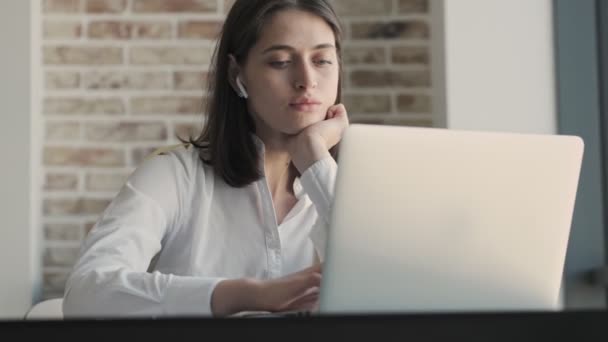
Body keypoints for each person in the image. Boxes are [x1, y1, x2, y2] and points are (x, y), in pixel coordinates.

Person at [62, 0, 349, 318]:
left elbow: (393, 290)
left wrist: (316, 161)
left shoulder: (348, 187)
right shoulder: (175, 176)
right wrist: (244, 294)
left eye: (322, 60)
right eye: (281, 61)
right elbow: (86, 293)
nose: (306, 80)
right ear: (236, 74)